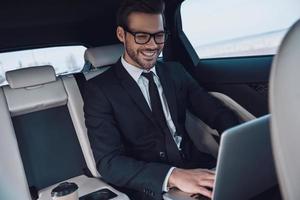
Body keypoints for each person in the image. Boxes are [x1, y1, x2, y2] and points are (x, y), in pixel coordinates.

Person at [84, 0, 240, 199]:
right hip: (152, 186)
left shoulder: (175, 72)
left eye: (159, 35)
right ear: (121, 35)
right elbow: (109, 162)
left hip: (198, 167)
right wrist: (173, 176)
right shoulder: (100, 89)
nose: (152, 45)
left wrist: (236, 151)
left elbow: (216, 113)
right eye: (141, 36)